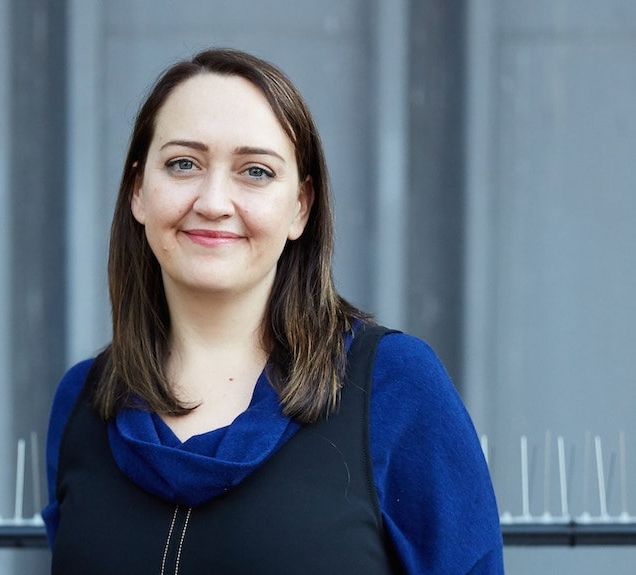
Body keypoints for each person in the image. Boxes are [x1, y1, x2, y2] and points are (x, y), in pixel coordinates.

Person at [43, 47, 503, 574]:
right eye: (183, 164)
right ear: (138, 191)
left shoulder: (395, 387)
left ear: (300, 208)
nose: (214, 201)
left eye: (255, 171)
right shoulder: (82, 403)